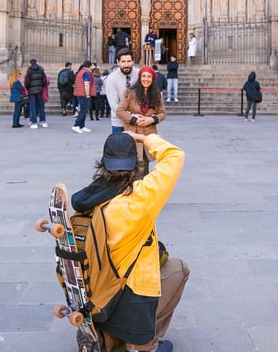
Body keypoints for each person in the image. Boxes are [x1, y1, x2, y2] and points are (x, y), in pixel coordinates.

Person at [70, 131, 189, 352]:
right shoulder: (139, 199)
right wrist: (144, 138)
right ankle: (145, 343)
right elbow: (175, 156)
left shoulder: (89, 198)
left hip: (99, 293)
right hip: (132, 296)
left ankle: (109, 336)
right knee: (178, 268)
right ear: (134, 164)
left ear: (104, 163)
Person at [117, 66, 166, 177]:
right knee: (134, 166)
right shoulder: (130, 93)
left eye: (149, 77)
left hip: (148, 134)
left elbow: (162, 113)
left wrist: (152, 119)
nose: (146, 79)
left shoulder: (157, 95)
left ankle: (144, 190)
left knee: (145, 165)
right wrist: (133, 119)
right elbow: (120, 111)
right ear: (140, 78)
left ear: (153, 79)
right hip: (133, 134)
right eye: (143, 76)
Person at [106, 48, 140, 134]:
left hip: (139, 121)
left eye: (129, 61)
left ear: (133, 61)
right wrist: (131, 115)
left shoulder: (140, 74)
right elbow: (114, 105)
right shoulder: (111, 78)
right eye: (123, 62)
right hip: (119, 123)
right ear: (118, 62)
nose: (126, 65)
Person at [72, 60, 96, 134]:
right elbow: (86, 84)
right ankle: (76, 125)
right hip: (83, 94)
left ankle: (82, 126)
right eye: (92, 65)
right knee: (83, 110)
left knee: (84, 109)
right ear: (89, 66)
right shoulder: (86, 73)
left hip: (79, 93)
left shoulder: (81, 71)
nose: (93, 66)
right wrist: (88, 94)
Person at [25, 59, 48, 129]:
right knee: (41, 106)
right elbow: (44, 81)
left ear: (31, 63)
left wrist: (29, 88)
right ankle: (43, 121)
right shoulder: (41, 70)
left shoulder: (29, 71)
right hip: (40, 90)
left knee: (33, 106)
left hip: (32, 91)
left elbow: (27, 82)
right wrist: (41, 86)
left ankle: (34, 122)